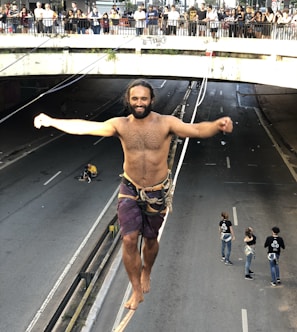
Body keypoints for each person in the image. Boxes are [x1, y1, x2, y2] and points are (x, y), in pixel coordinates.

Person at [34, 79, 233, 310]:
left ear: (151, 100)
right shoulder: (120, 125)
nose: (139, 103)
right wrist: (51, 121)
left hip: (157, 192)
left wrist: (217, 125)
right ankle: (136, 290)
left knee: (150, 239)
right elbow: (85, 127)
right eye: (135, 99)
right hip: (129, 187)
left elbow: (196, 129)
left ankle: (146, 271)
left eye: (143, 98)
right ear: (128, 100)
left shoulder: (165, 123)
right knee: (128, 239)